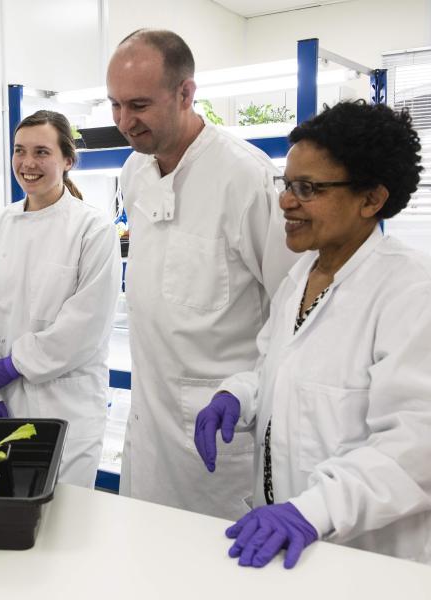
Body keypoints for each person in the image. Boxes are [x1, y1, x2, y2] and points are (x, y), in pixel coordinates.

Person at [194, 100, 431, 569]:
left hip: (377, 562)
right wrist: (237, 396)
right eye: (286, 185)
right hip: (302, 552)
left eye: (308, 188)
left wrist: (313, 511)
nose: (285, 201)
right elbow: (275, 372)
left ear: (371, 199)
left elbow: (422, 447)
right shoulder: (302, 276)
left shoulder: (415, 292)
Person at [106, 29, 298, 518]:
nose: (125, 122)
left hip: (219, 431)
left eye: (139, 105)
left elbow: (293, 312)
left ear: (186, 94)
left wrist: (245, 391)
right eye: (115, 105)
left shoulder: (246, 179)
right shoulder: (135, 171)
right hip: (150, 428)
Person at [0, 110, 121, 487]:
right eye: (19, 151)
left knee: (65, 512)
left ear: (67, 160)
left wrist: (16, 363)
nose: (28, 163)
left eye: (41, 152)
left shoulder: (93, 229)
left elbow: (86, 324)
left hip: (70, 404)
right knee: (10, 505)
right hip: (6, 400)